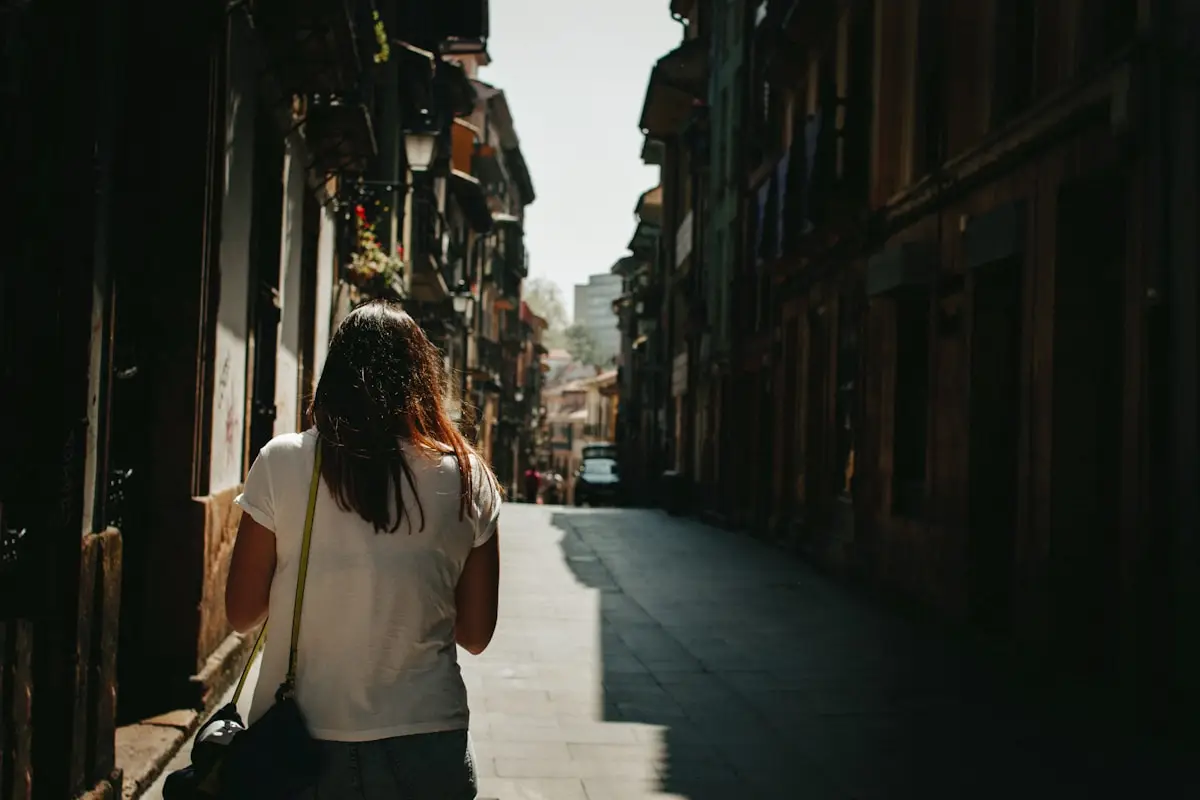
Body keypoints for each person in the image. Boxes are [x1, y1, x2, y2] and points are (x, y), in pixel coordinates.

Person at [225, 300, 500, 799]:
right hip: (426, 743)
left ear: (335, 374)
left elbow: (242, 612)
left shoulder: (283, 461)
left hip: (298, 746)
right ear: (423, 379)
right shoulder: (466, 475)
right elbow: (476, 634)